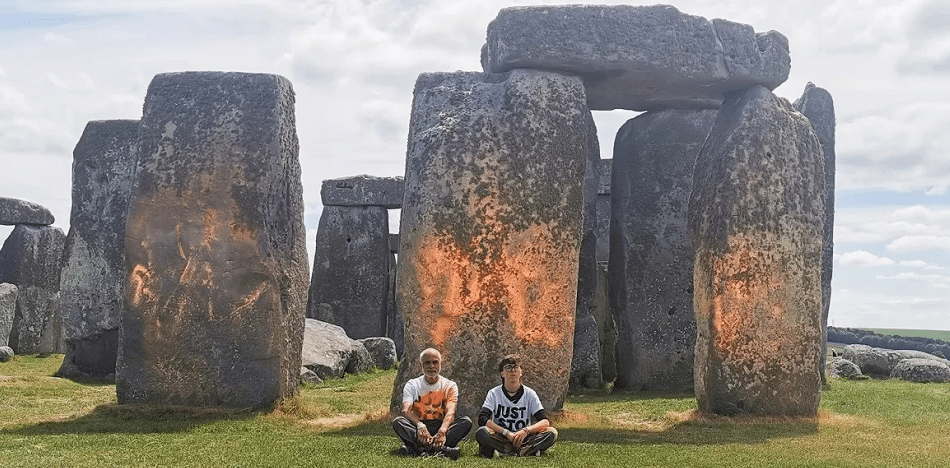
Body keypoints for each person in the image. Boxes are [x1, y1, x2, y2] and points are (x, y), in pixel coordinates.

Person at [392, 348, 472, 459]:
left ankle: (418, 449)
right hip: (418, 426)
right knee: (398, 422)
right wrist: (420, 426)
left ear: (440, 364)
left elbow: (451, 412)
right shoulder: (412, 384)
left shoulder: (450, 385)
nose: (431, 366)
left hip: (441, 425)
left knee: (466, 422)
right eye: (427, 363)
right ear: (421, 365)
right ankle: (443, 449)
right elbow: (406, 410)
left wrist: (442, 431)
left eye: (435, 362)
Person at [475, 354, 558, 458]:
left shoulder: (530, 394)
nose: (512, 371)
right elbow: (482, 419)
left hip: (524, 437)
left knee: (551, 432)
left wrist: (525, 431)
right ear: (502, 373)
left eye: (516, 367)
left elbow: (545, 421)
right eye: (508, 368)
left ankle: (506, 452)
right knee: (482, 432)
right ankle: (527, 452)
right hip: (502, 436)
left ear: (521, 372)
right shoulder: (494, 393)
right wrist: (506, 433)